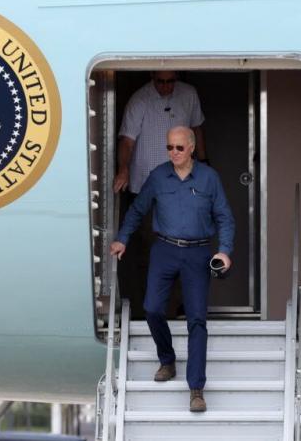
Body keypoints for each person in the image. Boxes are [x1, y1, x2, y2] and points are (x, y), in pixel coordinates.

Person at [110, 126, 235, 413]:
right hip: (164, 249)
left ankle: (196, 389)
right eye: (169, 148)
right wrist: (122, 239)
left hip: (198, 252)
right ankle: (167, 360)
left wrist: (225, 251)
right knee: (152, 308)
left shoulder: (209, 178)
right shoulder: (158, 176)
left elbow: (225, 218)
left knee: (196, 321)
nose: (174, 153)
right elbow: (138, 210)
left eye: (179, 148)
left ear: (192, 147)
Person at [113, 71, 208, 317]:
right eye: (160, 82)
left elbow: (197, 129)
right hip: (147, 187)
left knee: (184, 247)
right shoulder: (140, 100)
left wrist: (205, 163)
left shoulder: (189, 95)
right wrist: (123, 170)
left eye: (170, 82)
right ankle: (150, 310)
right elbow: (127, 141)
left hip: (184, 188)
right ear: (152, 79)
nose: (165, 87)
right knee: (150, 253)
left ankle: (174, 308)